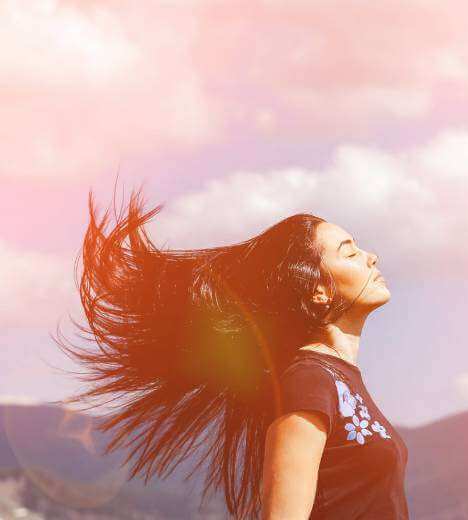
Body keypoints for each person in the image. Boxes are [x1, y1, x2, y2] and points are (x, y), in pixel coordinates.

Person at [51, 183, 410, 519]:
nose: (372, 257)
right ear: (319, 291)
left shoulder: (338, 378)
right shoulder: (309, 379)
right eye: (350, 252)